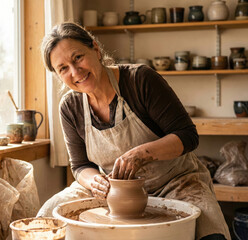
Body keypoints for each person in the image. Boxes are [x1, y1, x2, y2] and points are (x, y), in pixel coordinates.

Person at [37, 22, 231, 240]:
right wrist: (95, 182)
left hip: (175, 182)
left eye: (78, 58)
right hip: (111, 191)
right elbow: (81, 165)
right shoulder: (70, 107)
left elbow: (188, 135)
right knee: (45, 220)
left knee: (210, 234)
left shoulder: (140, 80)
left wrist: (141, 154)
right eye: (63, 68)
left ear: (96, 49)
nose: (75, 71)